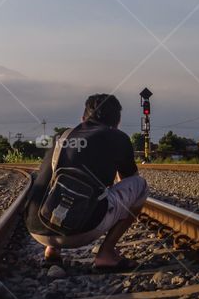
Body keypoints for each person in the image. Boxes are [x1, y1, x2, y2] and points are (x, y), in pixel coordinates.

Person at [24, 93, 149, 270]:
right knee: (140, 185)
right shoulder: (118, 137)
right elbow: (129, 179)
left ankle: (52, 250)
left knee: (57, 183)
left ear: (83, 118)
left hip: (36, 228)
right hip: (81, 231)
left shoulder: (62, 136)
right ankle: (106, 254)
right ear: (117, 122)